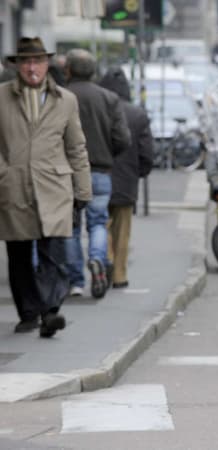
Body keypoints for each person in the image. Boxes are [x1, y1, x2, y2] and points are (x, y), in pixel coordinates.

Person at [0, 37, 92, 337]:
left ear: (47, 64)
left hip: (53, 186)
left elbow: (76, 147)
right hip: (13, 187)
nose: (31, 68)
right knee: (19, 255)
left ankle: (50, 312)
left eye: (37, 61)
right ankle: (29, 313)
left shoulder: (65, 100)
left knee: (54, 253)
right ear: (16, 66)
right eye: (25, 62)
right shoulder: (1, 98)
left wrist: (82, 190)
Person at [64, 49, 130, 299]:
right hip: (101, 170)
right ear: (93, 72)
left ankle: (76, 282)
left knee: (70, 226)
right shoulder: (109, 98)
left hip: (68, 171)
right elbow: (123, 138)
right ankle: (97, 259)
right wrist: (107, 154)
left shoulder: (62, 97)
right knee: (98, 222)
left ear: (68, 70)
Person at [98, 67, 154, 289]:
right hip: (127, 181)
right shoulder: (137, 115)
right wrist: (140, 172)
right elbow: (147, 151)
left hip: (98, 175)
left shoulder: (97, 109)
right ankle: (120, 274)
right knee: (122, 230)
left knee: (99, 224)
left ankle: (106, 260)